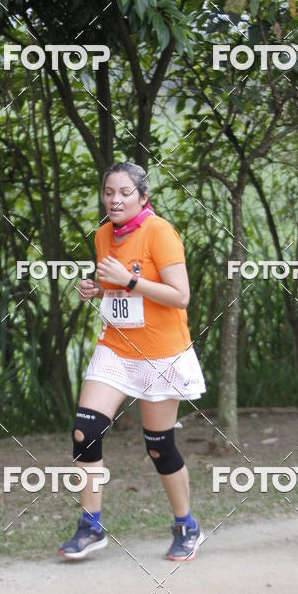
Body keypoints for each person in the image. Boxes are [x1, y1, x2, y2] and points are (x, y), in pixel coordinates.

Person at [58, 162, 206, 562]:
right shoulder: (104, 234)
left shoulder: (160, 233)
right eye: (109, 192)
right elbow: (115, 285)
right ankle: (91, 524)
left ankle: (186, 525)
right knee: (84, 431)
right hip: (118, 349)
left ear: (143, 197)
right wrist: (96, 288)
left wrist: (128, 281)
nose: (115, 199)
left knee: (159, 447)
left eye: (124, 192)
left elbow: (180, 296)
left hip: (161, 354)